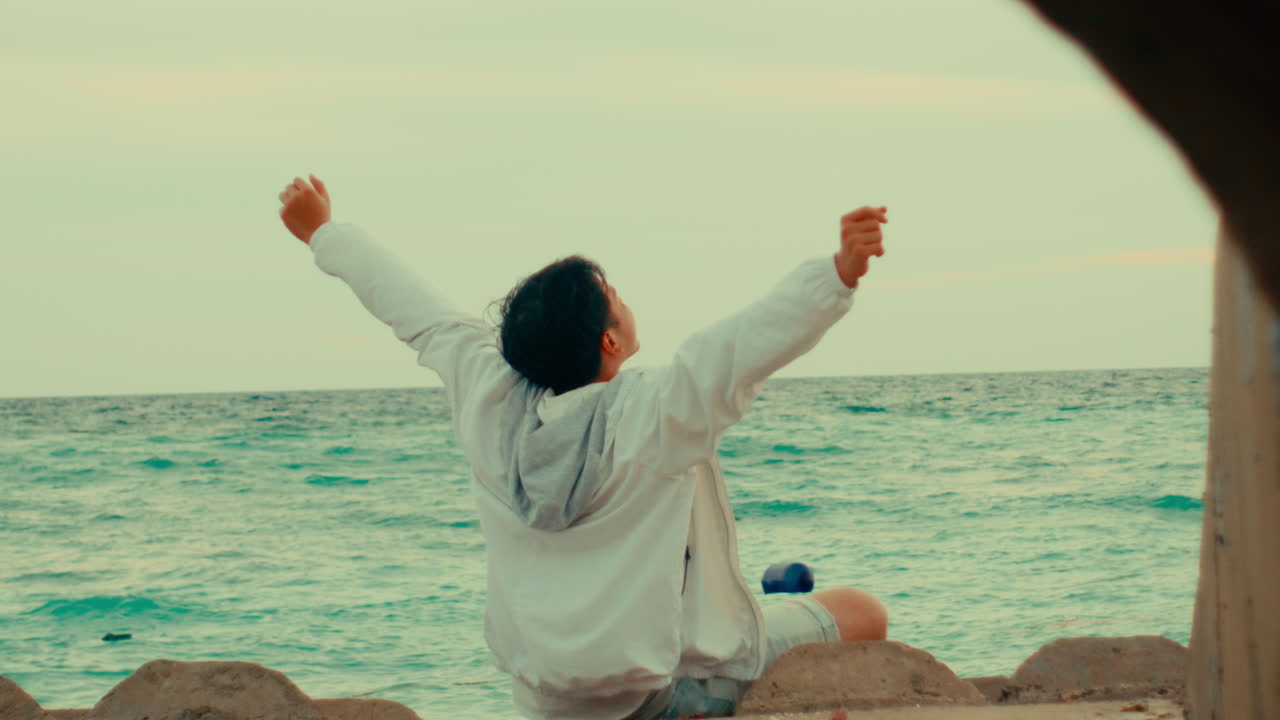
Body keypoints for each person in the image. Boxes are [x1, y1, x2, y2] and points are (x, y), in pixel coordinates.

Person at [277, 174, 890, 720]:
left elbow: (416, 309)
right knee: (861, 612)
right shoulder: (653, 415)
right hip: (653, 700)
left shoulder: (487, 398)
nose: (626, 301)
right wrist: (839, 272)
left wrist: (323, 233)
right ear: (609, 341)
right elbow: (744, 345)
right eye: (616, 297)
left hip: (545, 702)